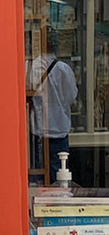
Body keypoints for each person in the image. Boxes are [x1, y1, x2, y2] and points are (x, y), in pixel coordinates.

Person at [26, 45, 77, 183]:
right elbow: (72, 96)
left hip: (38, 130)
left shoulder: (32, 66)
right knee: (61, 174)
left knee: (39, 176)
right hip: (59, 128)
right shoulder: (63, 69)